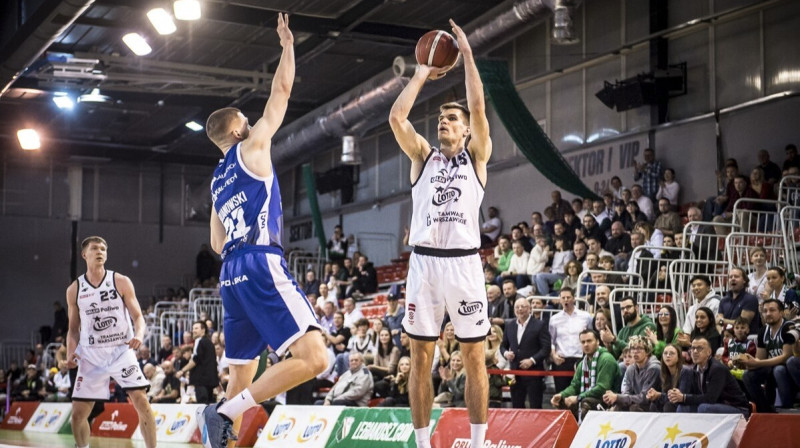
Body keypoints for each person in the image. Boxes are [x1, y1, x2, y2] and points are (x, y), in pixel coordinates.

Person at [199, 15, 329, 448]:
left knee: (240, 378)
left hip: (230, 275)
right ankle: (221, 413)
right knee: (315, 357)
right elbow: (282, 92)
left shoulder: (217, 182)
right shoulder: (251, 147)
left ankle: (224, 420)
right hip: (259, 261)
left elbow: (216, 244)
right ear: (237, 130)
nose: (254, 121)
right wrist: (288, 45)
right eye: (246, 118)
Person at [390, 20, 491, 446]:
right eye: (440, 117)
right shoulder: (422, 158)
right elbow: (397, 116)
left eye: (451, 118)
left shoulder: (477, 157)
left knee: (473, 359)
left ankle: (479, 439)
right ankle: (420, 441)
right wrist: (421, 71)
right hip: (425, 264)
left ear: (466, 130)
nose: (443, 122)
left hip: (465, 264)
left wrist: (466, 55)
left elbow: (479, 107)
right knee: (420, 358)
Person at [65, 236, 156, 448]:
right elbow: (72, 330)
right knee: (78, 414)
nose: (100, 252)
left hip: (120, 351)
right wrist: (71, 353)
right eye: (95, 248)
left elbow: (138, 317)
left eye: (104, 249)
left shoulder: (120, 281)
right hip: (91, 354)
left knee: (142, 401)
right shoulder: (75, 289)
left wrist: (139, 335)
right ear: (84, 254)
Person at [739, 299, 797, 412]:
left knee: (779, 370)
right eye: (765, 311)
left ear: (781, 313)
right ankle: (764, 409)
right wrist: (747, 363)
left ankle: (788, 407)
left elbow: (786, 357)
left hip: (788, 369)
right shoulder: (763, 331)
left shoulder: (788, 327)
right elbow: (760, 358)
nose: (768, 313)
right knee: (748, 375)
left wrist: (758, 363)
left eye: (772, 310)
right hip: (771, 367)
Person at [551, 329, 619, 421]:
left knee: (585, 402)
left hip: (610, 401)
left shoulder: (606, 359)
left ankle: (585, 433)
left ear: (598, 342)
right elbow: (575, 386)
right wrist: (562, 395)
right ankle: (572, 433)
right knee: (562, 402)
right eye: (583, 342)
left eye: (589, 341)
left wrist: (578, 397)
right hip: (593, 398)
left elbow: (602, 388)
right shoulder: (582, 363)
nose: (586, 344)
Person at [672, 337, 750, 416]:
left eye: (699, 348)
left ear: (709, 352)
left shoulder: (717, 369)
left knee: (704, 408)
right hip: (714, 405)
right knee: (682, 408)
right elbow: (694, 395)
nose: (695, 351)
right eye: (693, 348)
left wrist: (684, 397)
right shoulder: (694, 369)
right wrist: (677, 395)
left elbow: (710, 399)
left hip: (736, 408)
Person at [501, 298, 551, 409]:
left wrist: (532, 360)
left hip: (534, 373)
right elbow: (503, 345)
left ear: (529, 309)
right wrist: (506, 354)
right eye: (517, 307)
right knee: (516, 407)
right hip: (514, 374)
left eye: (523, 306)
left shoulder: (539, 325)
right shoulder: (509, 325)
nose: (520, 309)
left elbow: (546, 348)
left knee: (535, 406)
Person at [549, 288, 593, 392]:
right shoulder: (554, 319)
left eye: (568, 297)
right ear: (559, 300)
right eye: (563, 298)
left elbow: (591, 336)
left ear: (573, 299)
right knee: (562, 394)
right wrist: (553, 355)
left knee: (581, 392)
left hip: (580, 359)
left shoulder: (585, 316)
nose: (565, 300)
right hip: (561, 360)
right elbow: (551, 341)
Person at [602, 335, 660, 411]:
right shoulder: (631, 368)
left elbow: (645, 398)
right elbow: (626, 393)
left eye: (639, 348)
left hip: (654, 406)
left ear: (647, 351)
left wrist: (617, 397)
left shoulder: (654, 368)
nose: (635, 352)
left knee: (633, 407)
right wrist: (615, 399)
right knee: (618, 406)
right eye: (632, 348)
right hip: (638, 404)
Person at [176, 321, 219, 404]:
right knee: (208, 404)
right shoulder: (208, 342)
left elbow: (195, 360)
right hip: (209, 380)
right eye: (193, 328)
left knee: (202, 404)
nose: (193, 330)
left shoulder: (200, 341)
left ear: (203, 330)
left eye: (196, 328)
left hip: (201, 380)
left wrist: (182, 371)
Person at [646, 344, 692, 412]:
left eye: (672, 353)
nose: (668, 356)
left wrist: (659, 395)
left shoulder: (685, 371)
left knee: (669, 406)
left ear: (678, 357)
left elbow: (680, 397)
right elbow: (664, 397)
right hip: (672, 403)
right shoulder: (663, 373)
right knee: (654, 404)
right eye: (665, 353)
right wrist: (652, 395)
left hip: (686, 404)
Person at [717, 267, 760, 335]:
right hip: (726, 338)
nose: (733, 279)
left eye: (736, 276)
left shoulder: (750, 299)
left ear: (744, 280)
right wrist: (722, 332)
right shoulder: (724, 300)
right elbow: (717, 322)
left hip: (746, 340)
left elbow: (742, 323)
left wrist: (722, 320)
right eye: (730, 277)